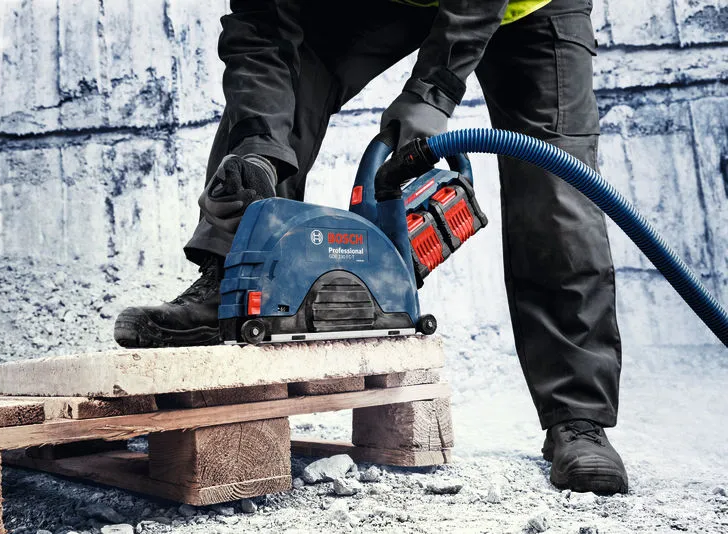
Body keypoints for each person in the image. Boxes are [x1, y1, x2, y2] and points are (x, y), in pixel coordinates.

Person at [113, 0, 627, 495]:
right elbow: (263, 25)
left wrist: (434, 91)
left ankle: (577, 419)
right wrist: (258, 144)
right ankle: (231, 283)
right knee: (284, 92)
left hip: (526, 7)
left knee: (556, 188)